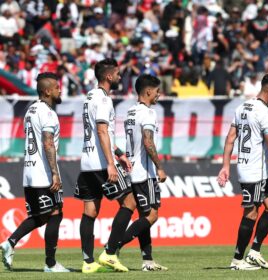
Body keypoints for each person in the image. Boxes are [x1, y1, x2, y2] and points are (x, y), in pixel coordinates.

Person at [217, 74, 268, 270]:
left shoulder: (242, 107)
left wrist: (226, 166)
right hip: (253, 171)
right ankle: (237, 260)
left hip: (252, 170)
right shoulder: (265, 113)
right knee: (251, 214)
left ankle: (254, 252)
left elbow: (230, 139)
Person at [0, 72, 69, 273]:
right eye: (56, 87)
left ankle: (10, 242)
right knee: (56, 213)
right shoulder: (48, 113)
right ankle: (50, 264)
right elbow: (48, 143)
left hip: (29, 172)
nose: (59, 90)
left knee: (40, 217)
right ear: (47, 91)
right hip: (43, 174)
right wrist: (55, 174)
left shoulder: (30, 110)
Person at [74, 58, 135, 273]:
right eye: (117, 73)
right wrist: (111, 163)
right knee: (129, 201)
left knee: (90, 210)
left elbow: (103, 133)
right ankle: (109, 253)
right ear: (109, 76)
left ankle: (87, 262)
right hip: (101, 163)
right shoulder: (104, 100)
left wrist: (118, 154)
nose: (120, 77)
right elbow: (101, 131)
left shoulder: (89, 97)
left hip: (87, 162)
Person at [114, 74, 168, 271]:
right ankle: (113, 247)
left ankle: (147, 261)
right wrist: (160, 167)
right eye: (157, 91)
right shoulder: (148, 113)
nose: (159, 95)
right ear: (148, 91)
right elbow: (148, 141)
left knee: (143, 216)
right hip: (145, 173)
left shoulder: (130, 111)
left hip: (131, 170)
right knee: (152, 216)